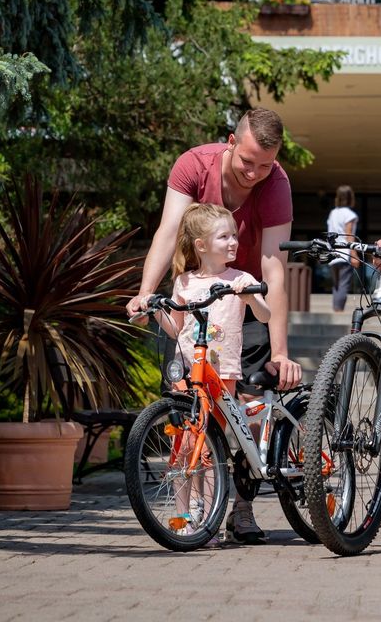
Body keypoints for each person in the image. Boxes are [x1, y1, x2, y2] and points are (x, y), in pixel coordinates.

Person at [127, 108, 300, 545]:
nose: (256, 173)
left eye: (266, 164)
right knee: (192, 414)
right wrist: (147, 292)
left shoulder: (275, 183)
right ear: (230, 141)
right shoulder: (193, 165)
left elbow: (274, 265)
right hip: (200, 298)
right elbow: (168, 232)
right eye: (248, 162)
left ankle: (242, 509)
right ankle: (195, 510)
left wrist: (280, 350)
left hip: (246, 294)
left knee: (242, 411)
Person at [153, 204, 271, 546]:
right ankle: (184, 516)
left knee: (211, 447)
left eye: (234, 235)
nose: (233, 241)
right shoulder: (184, 282)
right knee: (184, 445)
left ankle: (208, 519)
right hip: (187, 372)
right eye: (224, 236)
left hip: (222, 373)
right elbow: (176, 330)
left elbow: (263, 316)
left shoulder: (239, 279)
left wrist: (250, 295)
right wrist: (154, 309)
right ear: (201, 245)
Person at [325, 184, 360, 313]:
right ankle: (339, 311)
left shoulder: (333, 213)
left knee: (336, 285)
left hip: (333, 253)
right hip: (345, 253)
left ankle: (336, 310)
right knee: (344, 284)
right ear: (351, 197)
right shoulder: (350, 214)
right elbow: (349, 234)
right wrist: (354, 255)